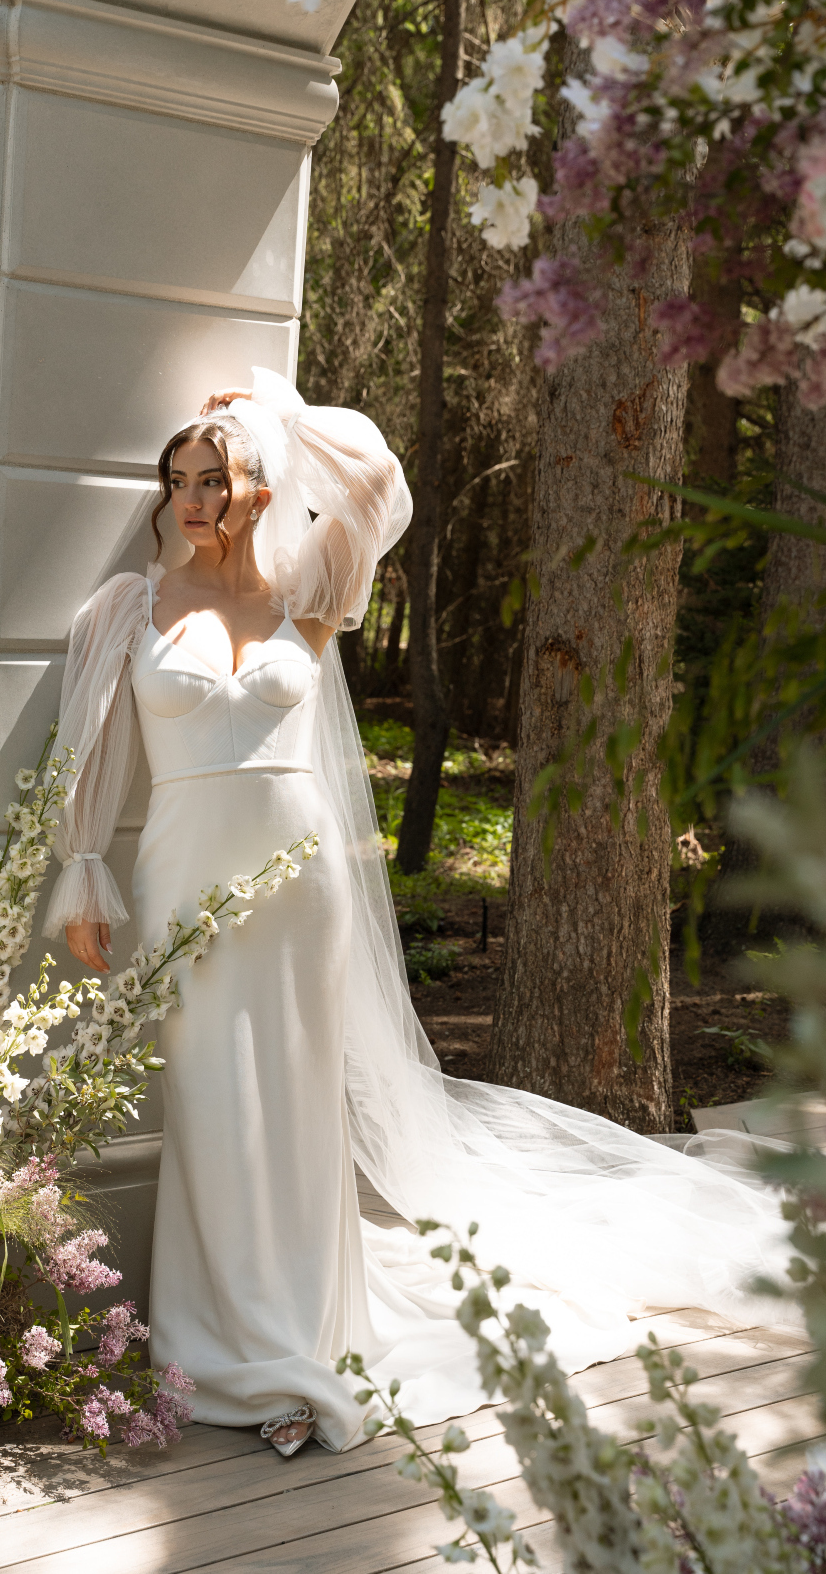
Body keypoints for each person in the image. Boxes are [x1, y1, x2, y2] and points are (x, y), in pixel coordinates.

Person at [43, 368, 790, 1458]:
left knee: (298, 1114)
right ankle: (217, 1343)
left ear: (254, 488)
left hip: (299, 886)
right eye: (178, 481)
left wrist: (273, 411)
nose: (189, 499)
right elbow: (93, 750)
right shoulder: (134, 605)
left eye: (211, 478)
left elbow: (378, 482)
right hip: (185, 883)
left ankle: (307, 1335)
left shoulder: (310, 591)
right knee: (212, 1105)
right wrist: (80, 870)